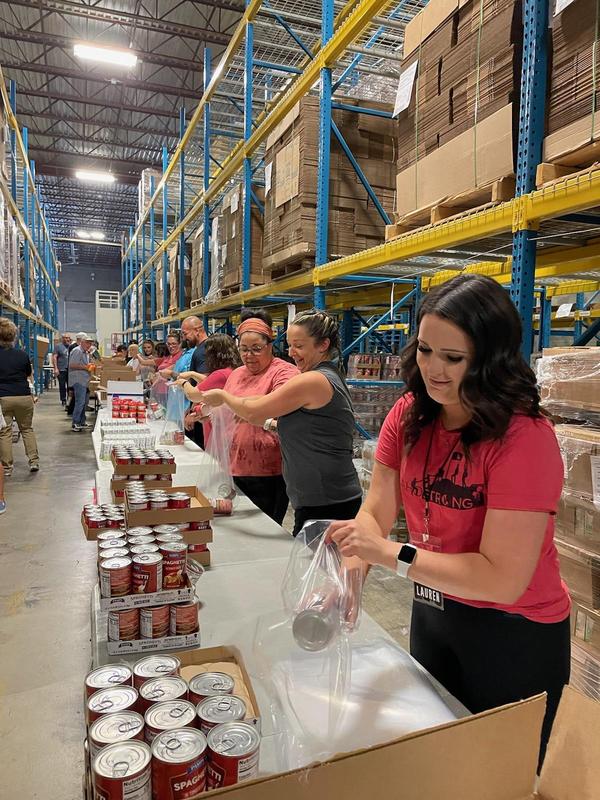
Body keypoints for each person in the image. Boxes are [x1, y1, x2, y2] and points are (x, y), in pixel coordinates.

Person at [327, 274, 570, 768]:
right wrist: (350, 577)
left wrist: (390, 554)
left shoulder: (523, 438)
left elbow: (502, 579)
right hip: (435, 610)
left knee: (503, 770)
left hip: (513, 631)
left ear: (490, 357)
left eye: (453, 359)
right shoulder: (412, 414)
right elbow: (377, 508)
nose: (433, 370)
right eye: (425, 350)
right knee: (441, 754)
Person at [197, 310, 362, 535]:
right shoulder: (322, 376)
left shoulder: (313, 380)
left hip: (327, 498)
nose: (292, 353)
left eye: (299, 346)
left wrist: (224, 397)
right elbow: (263, 403)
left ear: (323, 344)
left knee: (313, 567)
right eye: (290, 345)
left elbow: (255, 412)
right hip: (317, 496)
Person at [181, 309, 297, 523]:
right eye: (243, 349)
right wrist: (208, 413)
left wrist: (228, 402)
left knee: (265, 526)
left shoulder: (284, 372)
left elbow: (275, 406)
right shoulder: (237, 374)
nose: (249, 355)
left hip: (268, 471)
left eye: (256, 349)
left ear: (270, 346)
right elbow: (223, 408)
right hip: (232, 465)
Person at [178, 333, 242, 446]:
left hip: (217, 431)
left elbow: (193, 394)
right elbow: (208, 381)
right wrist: (193, 374)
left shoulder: (220, 374)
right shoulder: (232, 370)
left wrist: (183, 383)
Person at [0, 317, 40, 474]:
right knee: (27, 429)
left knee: (5, 432)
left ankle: (7, 468)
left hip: (3, 398)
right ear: (13, 336)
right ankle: (34, 461)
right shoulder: (22, 355)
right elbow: (28, 375)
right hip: (23, 397)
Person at [69, 333, 94, 432]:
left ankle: (82, 421)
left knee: (85, 402)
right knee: (80, 402)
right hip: (78, 380)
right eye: (87, 343)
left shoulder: (85, 352)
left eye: (90, 343)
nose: (89, 345)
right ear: (82, 342)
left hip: (84, 380)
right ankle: (75, 423)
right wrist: (85, 367)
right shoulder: (77, 351)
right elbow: (72, 365)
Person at [180, 316, 208, 383]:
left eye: (185, 334)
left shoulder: (202, 351)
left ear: (197, 331)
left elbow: (205, 381)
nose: (184, 338)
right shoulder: (206, 347)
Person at [52, 333, 71, 405]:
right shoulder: (58, 346)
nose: (67, 339)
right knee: (62, 385)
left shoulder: (71, 346)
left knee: (70, 385)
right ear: (62, 338)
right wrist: (56, 368)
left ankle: (69, 399)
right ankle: (63, 399)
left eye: (68, 338)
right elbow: (54, 357)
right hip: (61, 369)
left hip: (70, 370)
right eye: (66, 338)